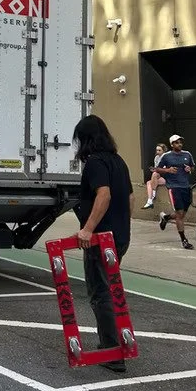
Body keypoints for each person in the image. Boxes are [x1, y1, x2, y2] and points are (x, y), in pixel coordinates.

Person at [72, 114, 135, 374]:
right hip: (120, 236)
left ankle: (113, 350)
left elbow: (104, 195)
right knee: (111, 290)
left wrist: (88, 229)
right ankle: (113, 342)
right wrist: (121, 224)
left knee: (101, 294)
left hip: (101, 238)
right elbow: (130, 198)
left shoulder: (95, 163)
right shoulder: (118, 161)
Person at [157, 134, 195, 249]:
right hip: (173, 187)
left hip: (186, 186)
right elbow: (157, 169)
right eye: (177, 142)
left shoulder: (187, 154)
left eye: (180, 142)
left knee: (182, 214)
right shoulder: (166, 156)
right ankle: (184, 240)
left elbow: (192, 167)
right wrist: (168, 170)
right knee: (180, 214)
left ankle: (166, 217)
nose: (179, 144)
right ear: (172, 144)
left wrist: (189, 169)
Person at [143, 141, 167, 208]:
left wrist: (156, 170)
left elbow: (165, 170)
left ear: (163, 150)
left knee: (154, 174)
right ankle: (149, 201)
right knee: (148, 182)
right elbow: (156, 168)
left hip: (166, 177)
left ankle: (153, 192)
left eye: (159, 150)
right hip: (158, 176)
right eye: (157, 150)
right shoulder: (156, 157)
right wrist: (154, 169)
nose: (158, 152)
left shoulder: (166, 157)